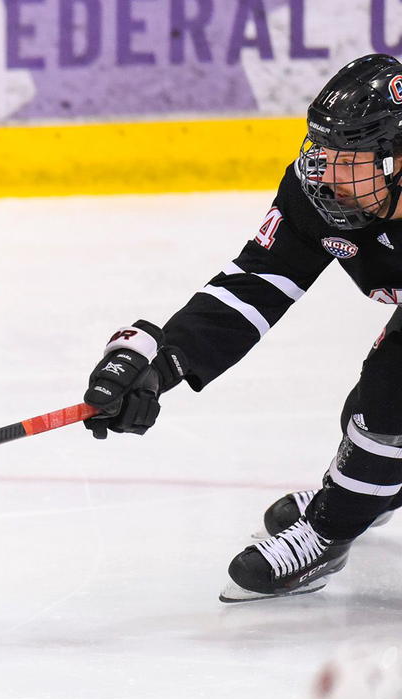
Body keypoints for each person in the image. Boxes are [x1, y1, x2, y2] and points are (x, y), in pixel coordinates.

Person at [80, 52, 402, 601]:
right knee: (369, 423)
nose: (325, 170)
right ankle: (366, 491)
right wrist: (164, 362)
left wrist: (348, 505)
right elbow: (260, 280)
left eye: (347, 157)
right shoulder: (318, 191)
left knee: (389, 404)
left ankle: (332, 528)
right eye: (322, 149)